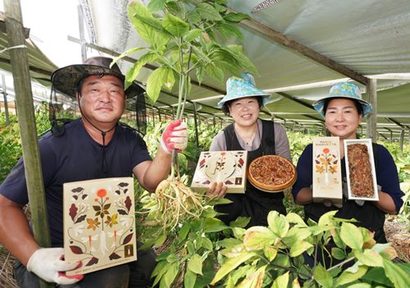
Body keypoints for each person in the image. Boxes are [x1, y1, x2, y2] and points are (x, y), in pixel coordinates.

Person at [0, 56, 188, 287]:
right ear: (78, 97)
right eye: (94, 89)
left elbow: (150, 181)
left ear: (124, 99)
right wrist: (34, 257)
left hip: (110, 244)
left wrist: (166, 149)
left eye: (114, 90)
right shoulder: (52, 146)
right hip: (58, 253)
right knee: (112, 276)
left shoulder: (129, 140)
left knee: (153, 265)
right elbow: (4, 205)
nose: (105, 98)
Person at [292, 81, 404, 243]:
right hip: (320, 242)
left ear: (359, 117)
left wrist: (368, 191)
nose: (339, 118)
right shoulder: (313, 151)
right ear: (325, 119)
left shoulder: (378, 154)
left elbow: (394, 206)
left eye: (347, 111)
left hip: (366, 241)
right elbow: (298, 196)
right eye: (332, 111)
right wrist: (320, 190)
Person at [208, 73, 291, 227]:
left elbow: (286, 171)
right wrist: (213, 190)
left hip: (270, 210)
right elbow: (210, 179)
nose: (245, 108)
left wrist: (274, 178)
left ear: (259, 105)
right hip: (231, 212)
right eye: (238, 104)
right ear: (229, 110)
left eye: (250, 101)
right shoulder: (221, 139)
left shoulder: (276, 131)